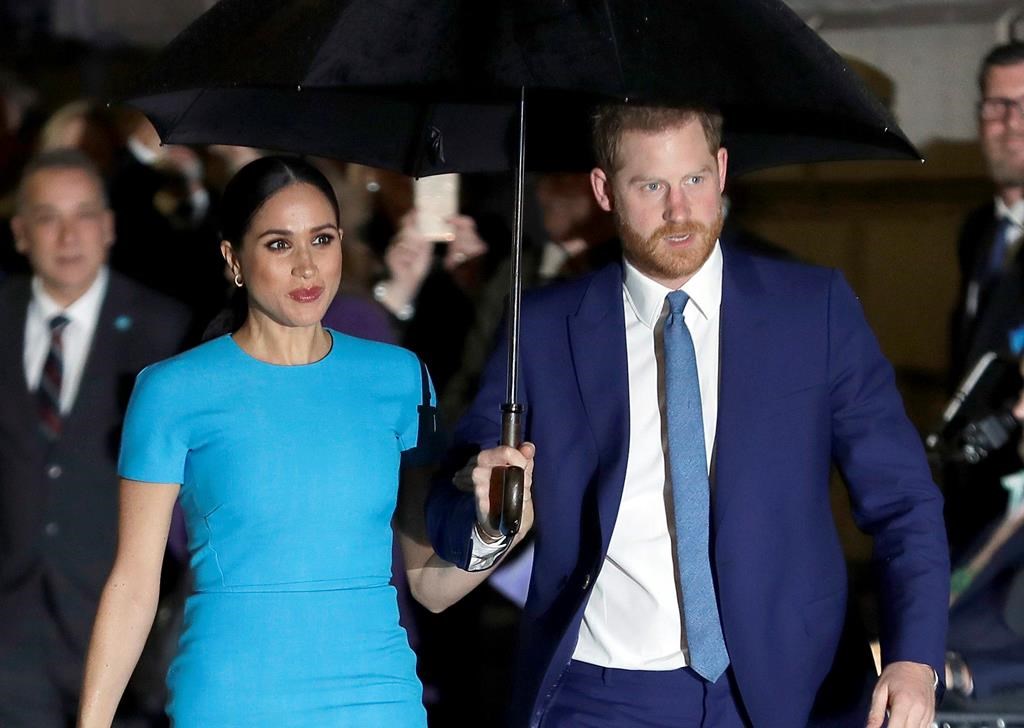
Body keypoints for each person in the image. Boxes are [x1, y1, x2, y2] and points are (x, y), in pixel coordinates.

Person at [426, 105, 949, 728]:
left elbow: (903, 501)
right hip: (598, 693)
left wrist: (914, 658)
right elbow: (456, 495)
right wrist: (488, 516)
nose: (679, 211)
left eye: (695, 180)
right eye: (652, 186)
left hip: (789, 687)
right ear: (604, 190)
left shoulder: (813, 311)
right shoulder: (544, 328)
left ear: (722, 170)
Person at [77, 155, 528, 727]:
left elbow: (430, 585)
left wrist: (498, 529)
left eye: (321, 238)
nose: (307, 267)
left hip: (377, 699)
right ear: (233, 260)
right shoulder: (171, 390)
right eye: (278, 244)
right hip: (231, 700)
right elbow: (134, 585)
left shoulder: (401, 379)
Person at [0, 148, 189, 727]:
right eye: (48, 217)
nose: (68, 234)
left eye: (83, 214)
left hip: (117, 623)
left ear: (108, 227)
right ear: (21, 232)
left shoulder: (166, 330)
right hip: (12, 636)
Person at [947, 41, 1024, 555]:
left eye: (1023, 106)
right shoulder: (977, 231)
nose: (1010, 122)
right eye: (997, 106)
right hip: (973, 498)